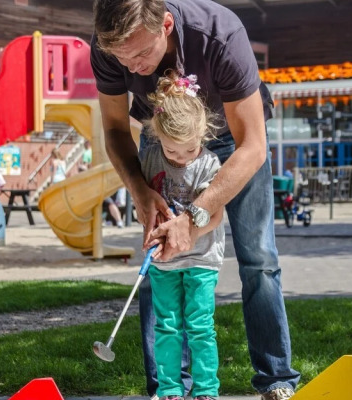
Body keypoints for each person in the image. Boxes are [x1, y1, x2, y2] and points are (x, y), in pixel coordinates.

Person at [90, 1, 300, 399]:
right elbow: (116, 129)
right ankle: (167, 387)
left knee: (258, 256)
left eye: (140, 55)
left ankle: (276, 379)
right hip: (162, 132)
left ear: (166, 24)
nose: (132, 67)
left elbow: (253, 146)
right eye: (122, 58)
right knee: (161, 254)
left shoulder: (220, 35)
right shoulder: (109, 43)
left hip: (231, 134)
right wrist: (140, 191)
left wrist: (194, 216)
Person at [140, 71, 224, 400]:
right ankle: (170, 390)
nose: (182, 158)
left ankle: (206, 391)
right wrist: (149, 226)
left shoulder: (209, 164)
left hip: (202, 258)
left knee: (200, 326)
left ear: (201, 136)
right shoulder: (149, 159)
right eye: (173, 152)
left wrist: (188, 230)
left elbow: (215, 214)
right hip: (164, 261)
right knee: (168, 326)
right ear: (157, 136)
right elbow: (143, 204)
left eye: (190, 150)